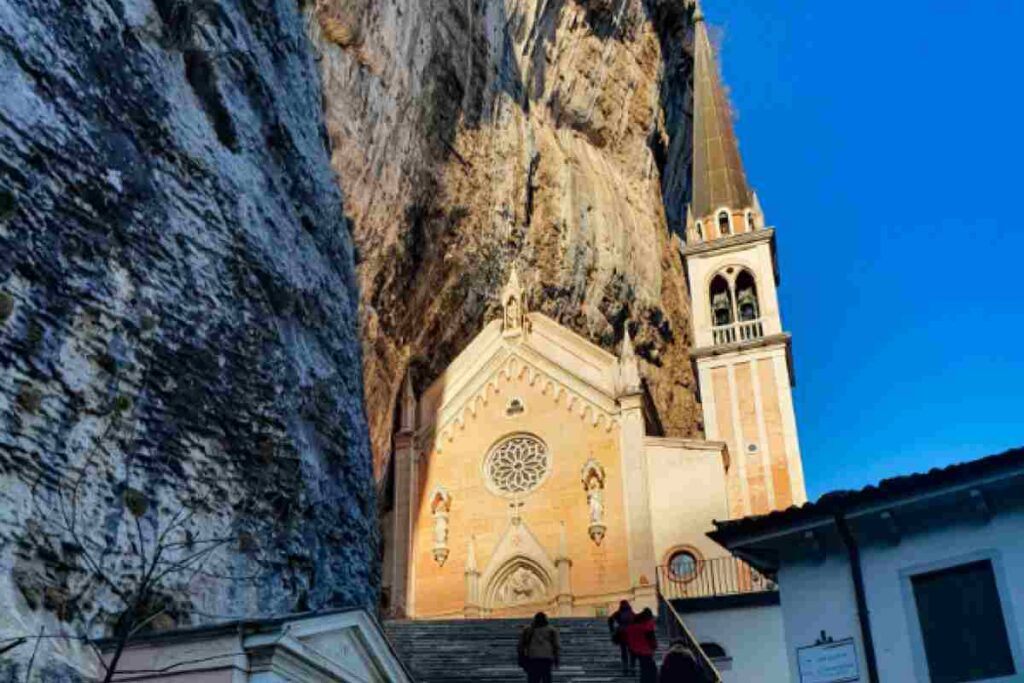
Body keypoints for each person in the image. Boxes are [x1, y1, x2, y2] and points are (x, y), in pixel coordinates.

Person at [518, 612, 560, 683]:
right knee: (546, 678)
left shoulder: (528, 630)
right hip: (547, 658)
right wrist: (556, 659)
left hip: (533, 657)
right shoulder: (552, 630)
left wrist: (521, 656)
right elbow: (556, 645)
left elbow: (521, 645)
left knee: (533, 678)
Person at [624, 608, 658, 683]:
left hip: (635, 648)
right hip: (645, 650)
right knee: (651, 669)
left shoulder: (632, 624)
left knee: (644, 669)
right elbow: (651, 637)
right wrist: (654, 646)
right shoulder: (647, 624)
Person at [608, 599, 636, 675]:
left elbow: (610, 619)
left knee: (624, 652)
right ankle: (632, 668)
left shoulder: (619, 613)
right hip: (631, 634)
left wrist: (612, 630)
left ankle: (625, 668)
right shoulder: (631, 613)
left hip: (622, 634)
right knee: (632, 652)